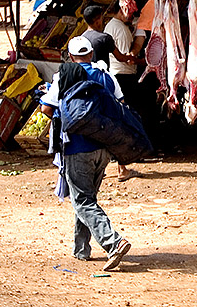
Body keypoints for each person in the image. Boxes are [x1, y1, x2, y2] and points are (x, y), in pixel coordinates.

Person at [39, 36, 131, 270]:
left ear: (70, 57)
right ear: (91, 54)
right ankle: (81, 249)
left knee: (82, 200)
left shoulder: (64, 76)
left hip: (76, 147)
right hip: (104, 149)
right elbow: (120, 104)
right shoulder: (106, 75)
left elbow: (46, 109)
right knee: (87, 198)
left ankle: (114, 242)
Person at [102, 1, 142, 182]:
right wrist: (143, 60)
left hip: (117, 75)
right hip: (124, 76)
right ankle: (124, 160)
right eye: (130, 12)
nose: (131, 16)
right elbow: (128, 58)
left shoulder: (112, 26)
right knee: (126, 117)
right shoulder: (120, 29)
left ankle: (120, 159)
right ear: (122, 9)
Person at [81, 5, 133, 70]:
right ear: (97, 21)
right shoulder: (104, 38)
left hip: (86, 76)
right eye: (101, 18)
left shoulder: (81, 38)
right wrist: (131, 58)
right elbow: (120, 57)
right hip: (101, 76)